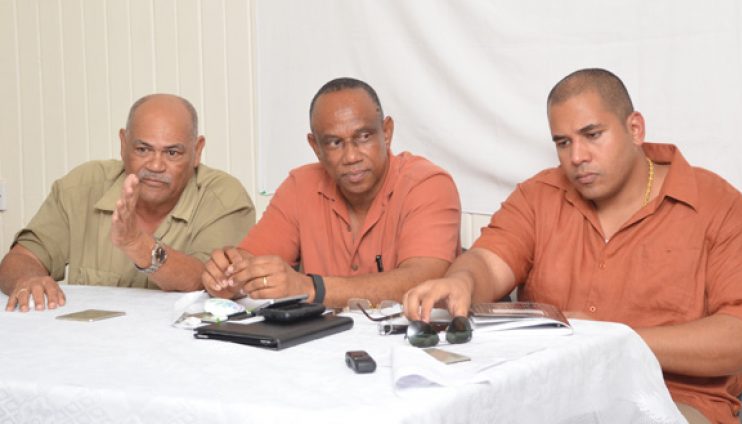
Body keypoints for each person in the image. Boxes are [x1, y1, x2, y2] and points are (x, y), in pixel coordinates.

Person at [402, 68, 742, 424]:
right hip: (547, 393)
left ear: (635, 129)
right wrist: (463, 281)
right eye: (562, 142)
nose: (577, 157)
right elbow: (489, 264)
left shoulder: (718, 206)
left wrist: (610, 339)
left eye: (593, 135)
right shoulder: (539, 194)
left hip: (671, 401)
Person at [202, 77, 461, 308]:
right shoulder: (299, 185)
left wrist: (309, 288)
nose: (351, 156)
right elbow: (250, 261)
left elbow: (424, 279)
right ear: (316, 147)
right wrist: (228, 275)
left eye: (363, 137)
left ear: (387, 132)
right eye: (335, 143)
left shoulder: (427, 184)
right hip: (323, 347)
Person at [0, 94, 255, 312]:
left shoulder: (225, 197)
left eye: (172, 153)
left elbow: (207, 280)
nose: (155, 165)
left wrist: (137, 244)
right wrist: (28, 278)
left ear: (197, 150)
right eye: (143, 149)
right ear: (123, 144)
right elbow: (21, 257)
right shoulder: (81, 186)